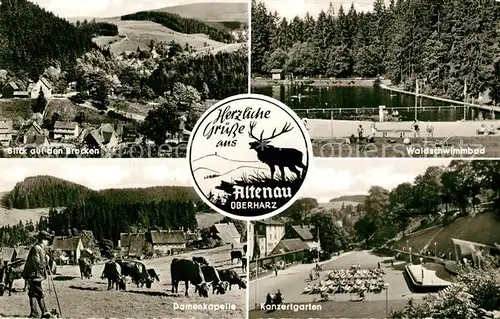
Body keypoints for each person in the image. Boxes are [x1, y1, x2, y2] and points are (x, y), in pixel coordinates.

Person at [22, 230, 52, 318]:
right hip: (34, 275)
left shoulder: (39, 248)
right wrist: (46, 260)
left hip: (34, 275)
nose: (48, 242)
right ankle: (44, 311)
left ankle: (34, 313)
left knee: (33, 293)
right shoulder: (36, 248)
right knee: (39, 293)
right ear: (42, 240)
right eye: (47, 240)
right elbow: (37, 264)